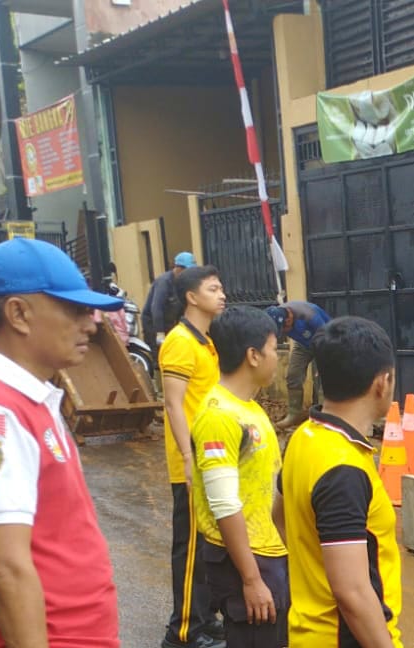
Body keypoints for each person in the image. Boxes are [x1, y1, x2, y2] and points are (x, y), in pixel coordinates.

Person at [0, 237, 123, 646]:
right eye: (75, 310)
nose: (91, 324)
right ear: (18, 313)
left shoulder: (27, 398)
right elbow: (6, 567)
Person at [283, 317, 403, 648]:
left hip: (308, 632)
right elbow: (352, 592)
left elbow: (281, 518)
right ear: (382, 383)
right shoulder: (344, 469)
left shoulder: (304, 437)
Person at [191, 306, 289, 648]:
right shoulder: (218, 416)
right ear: (253, 355)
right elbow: (223, 503)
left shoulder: (251, 409)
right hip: (245, 560)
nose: (277, 357)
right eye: (274, 348)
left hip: (266, 551)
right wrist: (250, 579)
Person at [159, 264, 228, 648]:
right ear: (191, 297)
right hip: (191, 461)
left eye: (221, 288)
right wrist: (187, 456)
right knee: (190, 550)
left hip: (208, 457)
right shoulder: (180, 342)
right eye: (213, 289)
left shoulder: (205, 341)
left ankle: (203, 618)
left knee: (207, 546)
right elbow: (173, 403)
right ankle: (183, 631)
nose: (222, 295)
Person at [265, 300, 332, 430]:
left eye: (284, 329)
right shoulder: (276, 315)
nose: (284, 332)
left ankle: (326, 415)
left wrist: (325, 360)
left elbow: (327, 337)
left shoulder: (309, 315)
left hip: (325, 342)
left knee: (326, 377)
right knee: (293, 375)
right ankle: (294, 413)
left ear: (289, 319)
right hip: (303, 345)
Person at [145, 252, 197, 348]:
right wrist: (160, 332)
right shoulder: (164, 282)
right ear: (178, 269)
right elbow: (156, 307)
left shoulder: (183, 283)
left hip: (171, 323)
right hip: (154, 325)